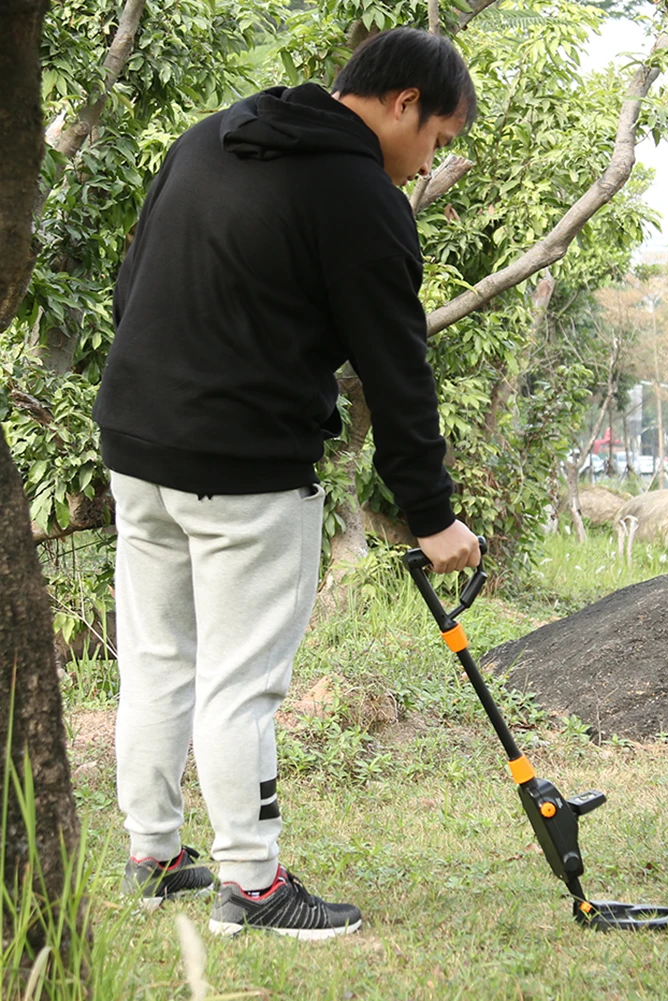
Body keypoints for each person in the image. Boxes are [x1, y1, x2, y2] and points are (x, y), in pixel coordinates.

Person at [93, 27, 481, 940]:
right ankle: (253, 887)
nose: (430, 161)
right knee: (242, 683)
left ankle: (152, 853)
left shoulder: (210, 135)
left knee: (155, 660)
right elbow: (397, 372)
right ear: (402, 104)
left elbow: (131, 282)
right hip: (243, 472)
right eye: (438, 138)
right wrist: (432, 518)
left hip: (136, 446)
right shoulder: (360, 198)